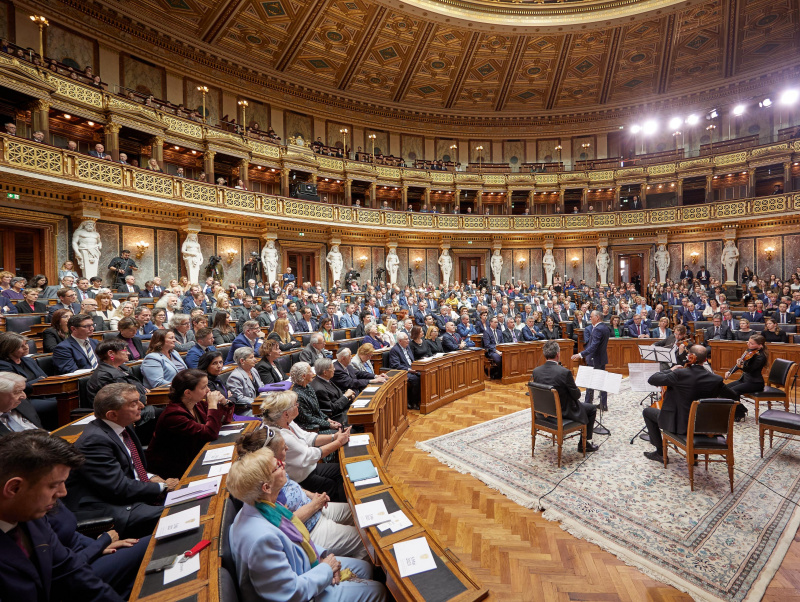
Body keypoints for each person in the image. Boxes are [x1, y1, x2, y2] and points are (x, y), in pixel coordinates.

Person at [226, 448, 386, 602]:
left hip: (307, 567)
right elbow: (290, 593)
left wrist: (322, 556)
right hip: (305, 592)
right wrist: (326, 570)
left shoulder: (261, 503)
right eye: (278, 467)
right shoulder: (261, 539)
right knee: (379, 591)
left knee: (365, 568)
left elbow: (297, 542)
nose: (284, 465)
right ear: (266, 487)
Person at [0, 430, 125, 601]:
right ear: (14, 488)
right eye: (54, 485)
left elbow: (71, 571)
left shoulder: (34, 517)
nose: (63, 493)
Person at [65, 383, 179, 538]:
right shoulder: (94, 441)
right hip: (108, 505)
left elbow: (130, 466)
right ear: (112, 415)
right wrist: (163, 486)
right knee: (178, 512)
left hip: (126, 493)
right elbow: (118, 488)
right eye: (133, 404)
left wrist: (150, 477)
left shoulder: (122, 426)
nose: (142, 405)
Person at [235, 428, 367, 559]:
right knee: (365, 539)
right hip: (309, 529)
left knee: (359, 512)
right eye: (282, 447)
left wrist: (312, 495)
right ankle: (355, 569)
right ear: (270, 454)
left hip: (315, 510)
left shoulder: (275, 467)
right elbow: (286, 523)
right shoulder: (268, 483)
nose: (287, 448)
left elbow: (293, 486)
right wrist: (315, 504)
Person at [642, 345, 738, 463]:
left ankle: (660, 453)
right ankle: (694, 455)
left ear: (690, 357)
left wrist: (671, 370)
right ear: (705, 360)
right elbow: (733, 396)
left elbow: (653, 379)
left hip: (680, 425)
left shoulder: (680, 374)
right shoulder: (716, 379)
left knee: (647, 412)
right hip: (704, 426)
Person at [260, 390, 349, 501]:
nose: (298, 406)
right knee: (332, 486)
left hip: (308, 467)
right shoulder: (281, 437)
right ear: (286, 413)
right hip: (301, 478)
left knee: (342, 470)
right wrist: (339, 442)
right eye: (295, 404)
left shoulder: (288, 422)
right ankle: (341, 509)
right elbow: (309, 455)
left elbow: (308, 437)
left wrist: (334, 437)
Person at [146, 369, 233, 478]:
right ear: (188, 393)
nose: (208, 390)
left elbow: (224, 421)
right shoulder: (174, 415)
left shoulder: (197, 403)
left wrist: (224, 403)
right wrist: (212, 405)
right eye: (203, 387)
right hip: (174, 470)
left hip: (195, 456)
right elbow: (210, 433)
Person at [531, 340, 598, 453]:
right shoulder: (564, 372)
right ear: (558, 354)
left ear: (545, 354)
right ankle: (583, 444)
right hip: (562, 412)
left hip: (542, 412)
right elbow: (576, 395)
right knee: (591, 408)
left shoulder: (536, 371)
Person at [571, 310, 610, 411]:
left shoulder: (597, 329)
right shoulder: (605, 327)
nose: (590, 318)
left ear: (597, 317)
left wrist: (580, 354)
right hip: (602, 358)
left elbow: (593, 347)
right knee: (602, 381)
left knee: (590, 382)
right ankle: (603, 404)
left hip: (594, 359)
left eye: (591, 316)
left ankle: (588, 403)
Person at [291, 362, 339, 433]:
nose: (313, 373)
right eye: (310, 371)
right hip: (311, 429)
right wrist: (328, 424)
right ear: (304, 376)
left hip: (320, 422)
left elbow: (317, 410)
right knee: (341, 433)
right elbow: (308, 419)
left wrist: (327, 419)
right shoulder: (298, 396)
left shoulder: (309, 387)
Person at [310, 358, 355, 425]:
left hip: (343, 410)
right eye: (332, 368)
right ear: (325, 372)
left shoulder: (326, 379)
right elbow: (332, 409)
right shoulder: (319, 389)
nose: (334, 369)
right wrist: (345, 396)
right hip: (336, 418)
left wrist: (348, 398)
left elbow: (338, 396)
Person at [386, 332, 421, 409]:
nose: (408, 340)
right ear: (400, 341)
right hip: (402, 372)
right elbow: (395, 365)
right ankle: (413, 402)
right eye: (406, 339)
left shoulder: (407, 347)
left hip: (412, 368)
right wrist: (409, 370)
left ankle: (420, 400)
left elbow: (412, 360)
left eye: (408, 339)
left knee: (424, 375)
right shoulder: (394, 350)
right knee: (416, 379)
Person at [227, 347, 264, 415]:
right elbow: (239, 398)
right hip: (247, 409)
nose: (255, 360)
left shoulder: (253, 370)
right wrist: (258, 403)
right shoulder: (235, 377)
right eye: (251, 358)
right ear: (242, 361)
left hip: (260, 404)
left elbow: (261, 385)